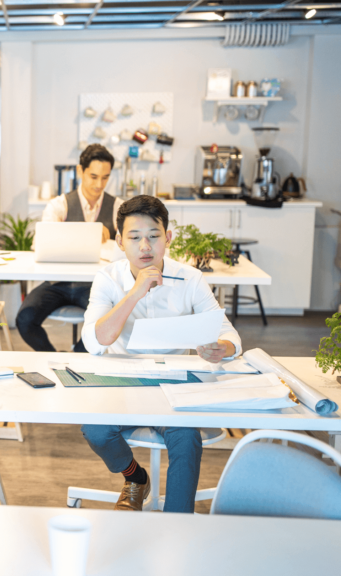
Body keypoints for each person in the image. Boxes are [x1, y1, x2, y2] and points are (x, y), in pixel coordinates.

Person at [79, 196, 242, 513]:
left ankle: (177, 522)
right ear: (119, 241)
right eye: (134, 237)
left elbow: (229, 333)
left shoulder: (190, 278)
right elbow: (95, 341)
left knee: (186, 439)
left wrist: (222, 348)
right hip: (120, 380)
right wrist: (136, 291)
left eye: (153, 236)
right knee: (95, 430)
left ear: (168, 238)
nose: (145, 247)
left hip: (174, 384)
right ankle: (135, 477)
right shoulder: (108, 278)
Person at [16, 144, 122, 352]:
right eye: (93, 176)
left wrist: (114, 238)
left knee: (106, 321)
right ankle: (53, 358)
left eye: (105, 177)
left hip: (94, 284)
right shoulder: (59, 206)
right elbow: (40, 244)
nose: (99, 184)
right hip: (57, 282)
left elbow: (128, 247)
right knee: (25, 319)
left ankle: (77, 357)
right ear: (80, 171)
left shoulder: (118, 207)